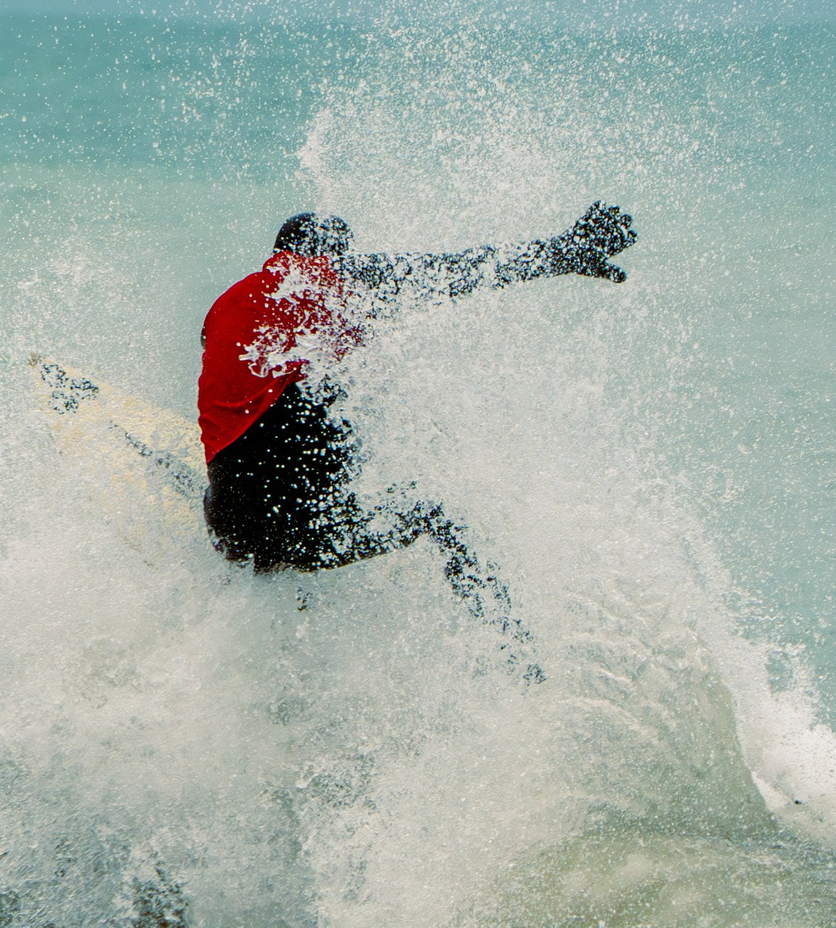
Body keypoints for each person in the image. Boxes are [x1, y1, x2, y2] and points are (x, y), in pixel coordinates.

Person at [197, 203, 637, 664]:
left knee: (317, 388)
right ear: (333, 255)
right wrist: (562, 253)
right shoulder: (326, 279)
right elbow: (454, 270)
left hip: (231, 524)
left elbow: (222, 372)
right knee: (433, 512)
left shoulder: (227, 303)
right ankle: (516, 655)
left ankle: (242, 546)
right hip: (298, 529)